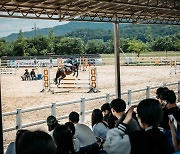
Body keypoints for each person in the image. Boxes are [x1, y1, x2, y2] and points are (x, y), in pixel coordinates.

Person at [104, 98, 172, 154]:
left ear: (140, 119)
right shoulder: (163, 136)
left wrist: (124, 123)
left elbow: (110, 147)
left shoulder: (136, 138)